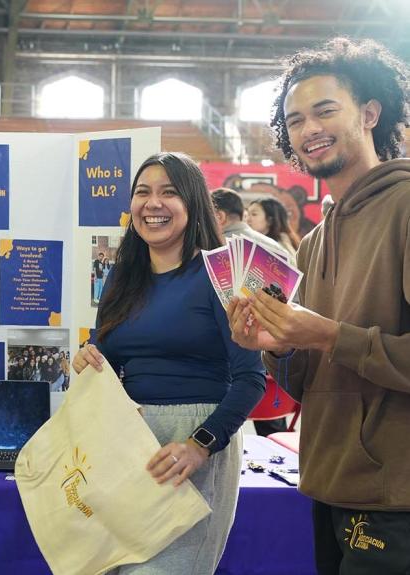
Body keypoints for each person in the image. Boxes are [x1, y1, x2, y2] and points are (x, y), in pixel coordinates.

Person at [227, 37, 410, 574]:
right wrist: (274, 346)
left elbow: (335, 341)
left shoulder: (404, 207)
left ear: (371, 113)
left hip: (395, 497)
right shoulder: (314, 239)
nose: (309, 129)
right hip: (327, 481)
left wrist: (329, 334)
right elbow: (308, 380)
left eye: (325, 110)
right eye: (296, 119)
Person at [74, 152, 265, 574]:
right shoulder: (123, 277)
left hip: (190, 447)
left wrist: (200, 445)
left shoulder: (224, 275)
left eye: (168, 192)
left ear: (192, 203)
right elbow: (104, 353)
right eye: (143, 192)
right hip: (126, 445)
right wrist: (87, 359)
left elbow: (252, 379)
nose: (152, 203)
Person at [212, 188, 289, 436]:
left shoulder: (216, 251)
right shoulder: (273, 245)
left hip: (233, 360)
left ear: (220, 216)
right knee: (272, 430)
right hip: (277, 358)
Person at [245, 197, 301, 262]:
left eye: (254, 214)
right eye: (247, 215)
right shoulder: (251, 241)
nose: (248, 219)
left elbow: (294, 268)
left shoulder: (282, 241)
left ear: (270, 220)